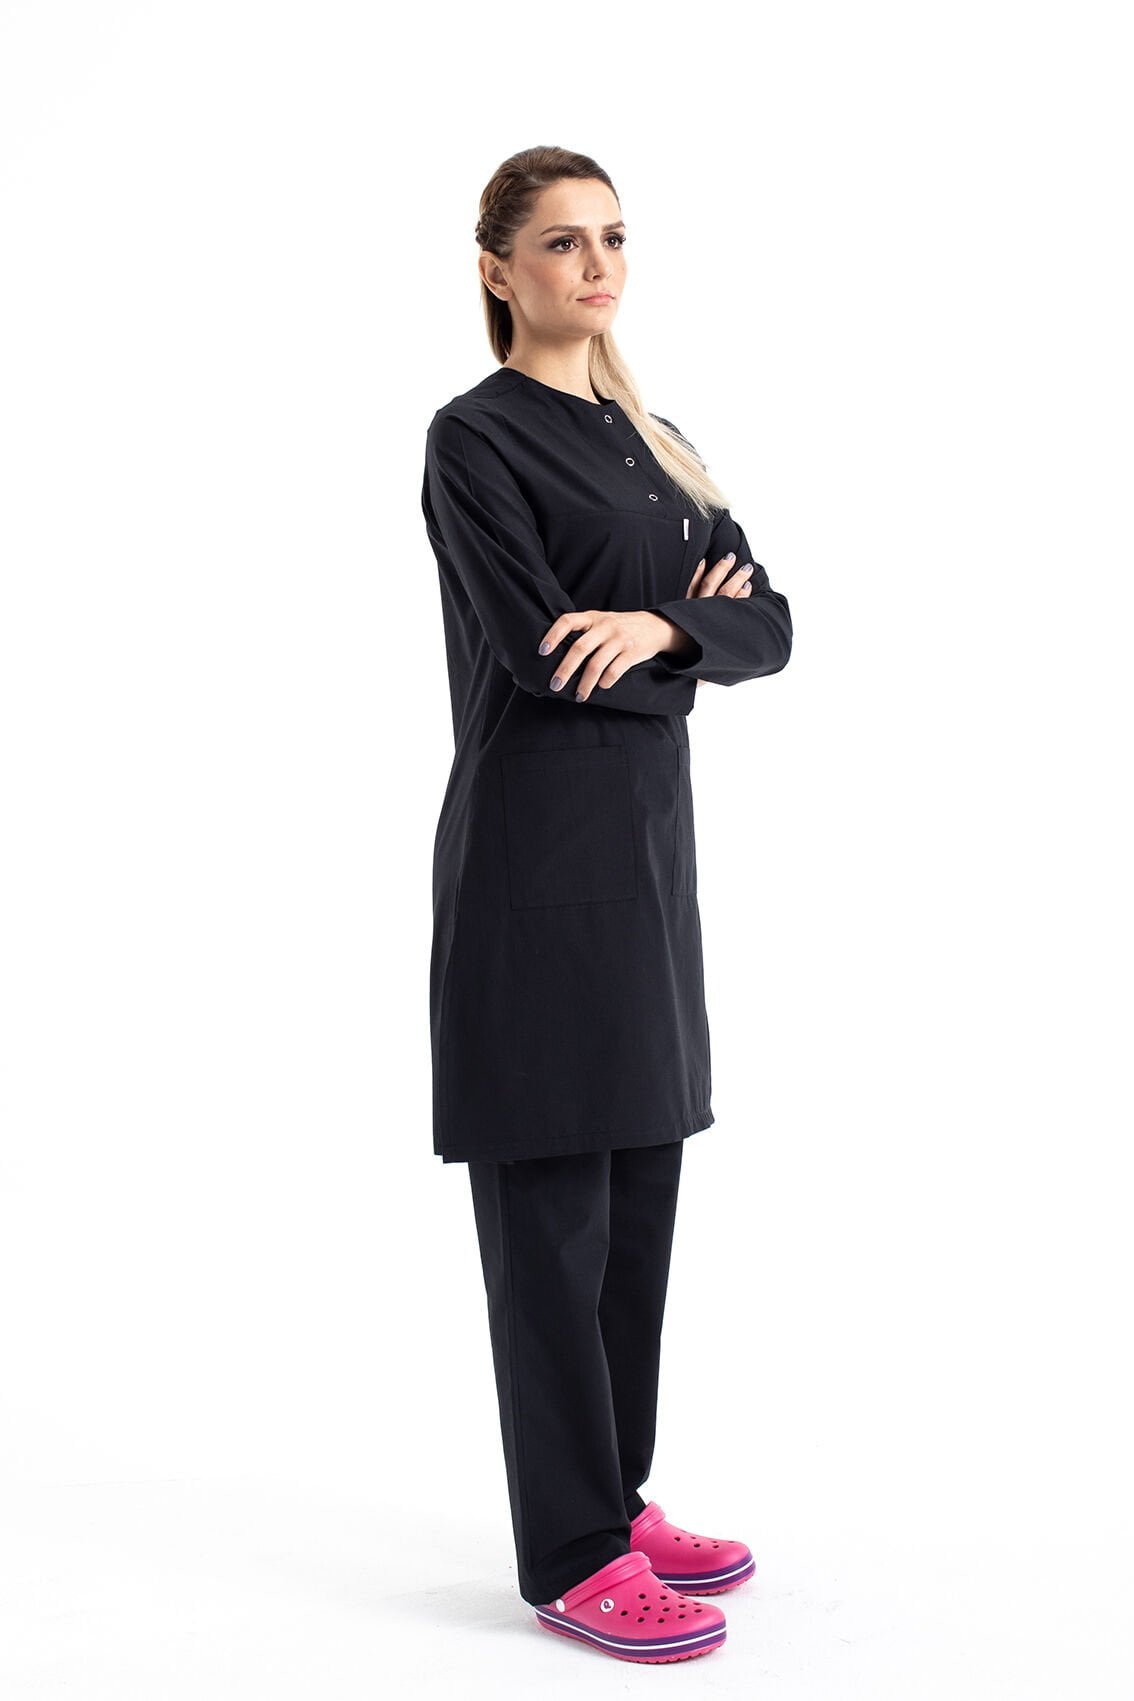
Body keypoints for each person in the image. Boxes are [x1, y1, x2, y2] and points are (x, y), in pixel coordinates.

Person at [420, 145, 792, 1665]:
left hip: (645, 868)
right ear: (498, 269)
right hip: (532, 866)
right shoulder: (475, 439)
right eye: (564, 241)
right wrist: (685, 633)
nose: (597, 265)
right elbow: (539, 651)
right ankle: (571, 1551)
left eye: (614, 238)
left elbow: (771, 622)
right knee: (552, 1220)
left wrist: (659, 627)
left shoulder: (658, 441)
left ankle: (618, 1502)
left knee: (639, 1197)